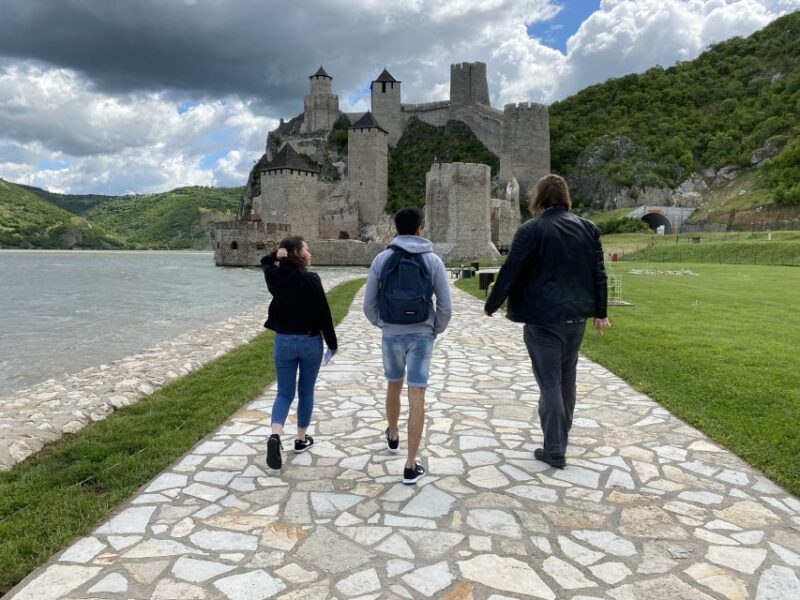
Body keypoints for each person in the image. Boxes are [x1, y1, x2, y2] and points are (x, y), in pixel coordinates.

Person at [484, 174, 610, 469]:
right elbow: (599, 273)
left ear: (538, 199)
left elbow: (511, 270)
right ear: (566, 198)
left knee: (550, 383)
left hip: (543, 319)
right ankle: (559, 438)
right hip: (576, 318)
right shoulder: (588, 228)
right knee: (567, 380)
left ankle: (554, 449)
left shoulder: (532, 229)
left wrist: (492, 304)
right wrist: (601, 312)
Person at [363, 207, 452, 484]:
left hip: (391, 333)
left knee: (393, 384)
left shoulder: (382, 259)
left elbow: (368, 304)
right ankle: (411, 465)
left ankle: (392, 435)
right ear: (419, 229)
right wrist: (433, 328)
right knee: (417, 395)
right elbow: (445, 306)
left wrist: (383, 324)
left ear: (395, 229)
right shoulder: (433, 261)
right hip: (421, 335)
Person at [261, 236, 337, 471]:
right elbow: (323, 314)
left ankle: (275, 435)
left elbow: (264, 262)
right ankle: (301, 439)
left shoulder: (274, 276)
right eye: (306, 249)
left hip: (283, 340)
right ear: (297, 253)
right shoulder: (311, 279)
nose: (310, 252)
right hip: (309, 341)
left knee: (284, 393)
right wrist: (332, 343)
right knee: (305, 392)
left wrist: (276, 255)